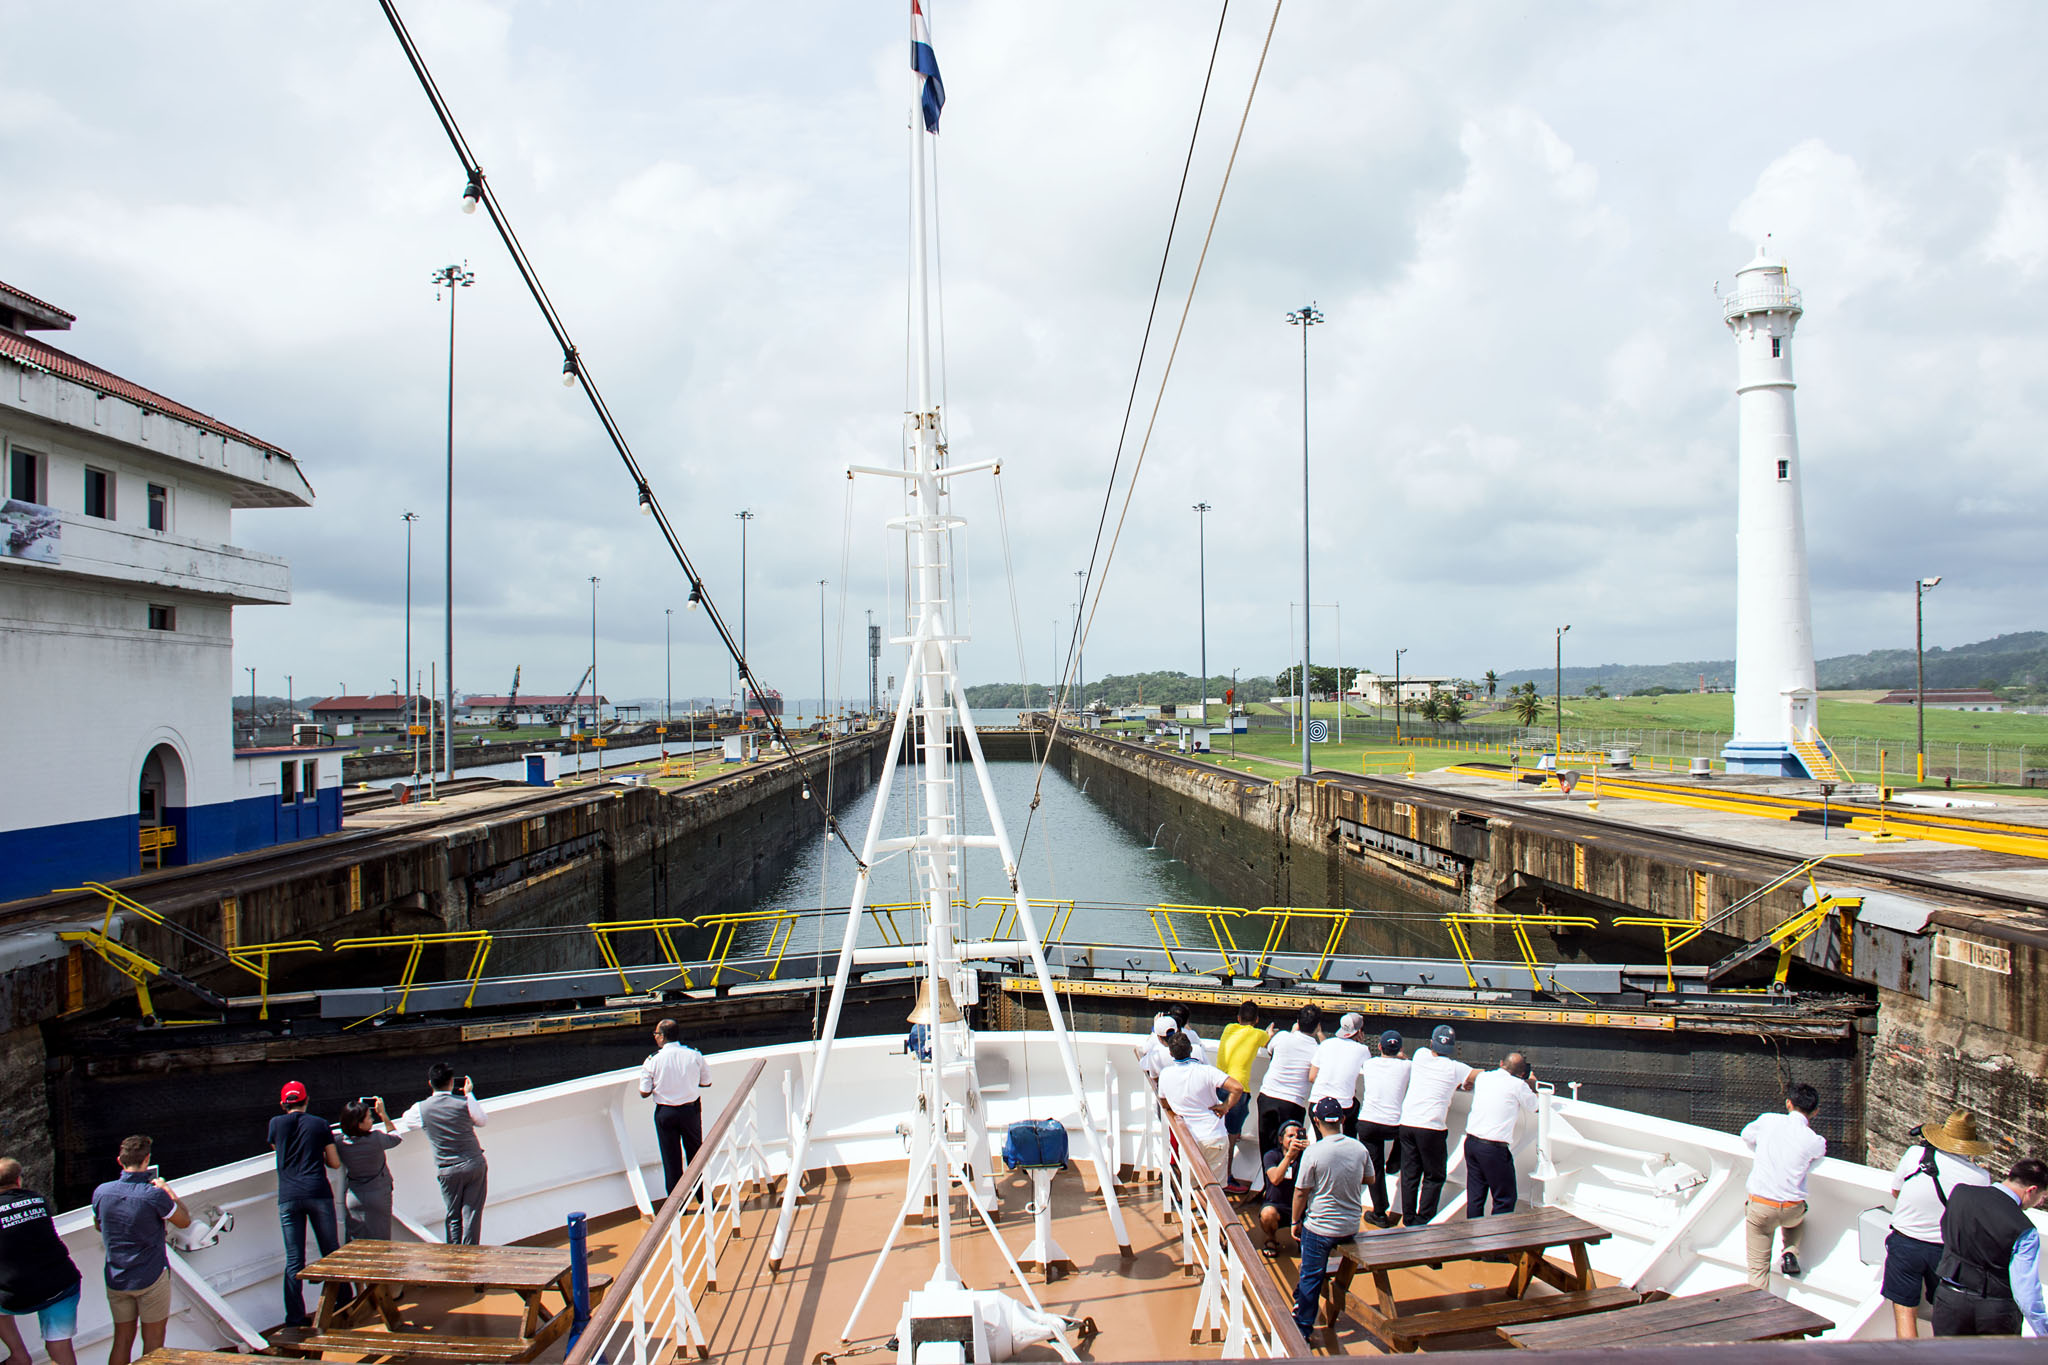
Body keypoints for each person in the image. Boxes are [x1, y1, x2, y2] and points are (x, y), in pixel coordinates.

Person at [1883, 1109, 1994, 1338]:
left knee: (1905, 1312)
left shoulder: (1916, 1155)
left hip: (1905, 1243)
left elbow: (1896, 1191)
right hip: (1946, 1252)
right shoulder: (1980, 1178)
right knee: (1944, 1313)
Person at [89, 1135, 189, 1365]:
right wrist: (168, 1190)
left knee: (122, 1340)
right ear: (147, 1160)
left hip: (117, 1278)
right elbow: (184, 1221)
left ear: (119, 1160)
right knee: (154, 1341)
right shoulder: (153, 1194)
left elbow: (99, 1224)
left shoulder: (101, 1192)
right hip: (150, 1277)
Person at [1932, 1155, 2048, 1337]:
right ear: (2031, 1190)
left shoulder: (1960, 1193)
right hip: (1995, 1311)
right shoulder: (2025, 1230)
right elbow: (2026, 1294)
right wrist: (2044, 1333)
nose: (2038, 1203)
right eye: (2041, 1197)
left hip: (1950, 1300)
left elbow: (1945, 1229)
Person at [1290, 1097, 1369, 1338]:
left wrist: (1295, 1222)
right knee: (1312, 1274)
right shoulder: (1359, 1148)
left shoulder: (1313, 1152)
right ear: (1343, 1120)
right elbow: (1370, 1179)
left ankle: (1302, 1329)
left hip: (1320, 1228)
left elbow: (1301, 1192)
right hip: (1350, 1226)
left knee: (1311, 1275)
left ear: (1316, 1121)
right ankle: (1299, 1300)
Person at [1740, 1083, 1827, 1290]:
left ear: (1788, 1103)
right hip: (1791, 1209)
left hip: (1761, 1208)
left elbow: (1746, 1135)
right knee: (1797, 1218)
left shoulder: (1768, 1120)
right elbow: (1819, 1153)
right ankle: (1790, 1251)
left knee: (1757, 1270)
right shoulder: (1814, 1140)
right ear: (1815, 1112)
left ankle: (1758, 1311)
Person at [269, 1081, 341, 1326]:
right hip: (317, 1191)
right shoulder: (320, 1125)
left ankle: (295, 1318)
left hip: (288, 1196)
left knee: (294, 1260)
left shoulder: (275, 1124)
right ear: (307, 1100)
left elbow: (277, 1147)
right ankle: (343, 1304)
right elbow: (334, 1163)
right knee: (331, 1250)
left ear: (283, 1104)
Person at [0, 1157, 81, 1365]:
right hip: (62, 1284)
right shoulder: (38, 1199)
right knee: (59, 1346)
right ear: (19, 1181)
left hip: (17, 1294)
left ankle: (18, 1355)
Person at [399, 1062, 489, 1245]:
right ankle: (471, 1252)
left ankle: (454, 1253)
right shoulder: (464, 1102)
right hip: (473, 1162)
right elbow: (481, 1121)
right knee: (472, 1214)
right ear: (451, 1082)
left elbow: (408, 1122)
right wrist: (469, 1093)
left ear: (430, 1083)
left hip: (447, 1168)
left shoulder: (421, 1108)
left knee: (453, 1215)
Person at [1396, 1025, 1476, 1227]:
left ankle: (1408, 1217)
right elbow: (1479, 1076)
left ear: (1432, 1042)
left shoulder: (1420, 1054)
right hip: (1432, 1127)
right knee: (1434, 1176)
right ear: (1453, 1047)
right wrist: (1464, 1082)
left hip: (1407, 1123)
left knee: (1410, 1174)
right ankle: (1422, 1220)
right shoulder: (1457, 1068)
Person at [639, 1018, 715, 1197]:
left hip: (666, 1113)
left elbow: (644, 1091)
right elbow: (707, 1082)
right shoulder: (694, 1055)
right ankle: (704, 1198)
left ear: (663, 1037)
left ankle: (677, 1205)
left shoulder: (652, 1060)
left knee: (671, 1160)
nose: (655, 1037)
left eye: (656, 1034)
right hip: (690, 1111)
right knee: (696, 1156)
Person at [1156, 1032, 1242, 1179]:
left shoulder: (1165, 1075)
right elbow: (1237, 1088)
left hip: (1189, 1138)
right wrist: (1225, 1106)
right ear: (1190, 1049)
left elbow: (1164, 1102)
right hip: (1214, 1136)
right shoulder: (1207, 1071)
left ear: (1170, 1053)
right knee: (1216, 1190)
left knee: (1193, 1186)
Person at [1465, 1054, 1538, 1217]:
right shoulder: (1518, 1085)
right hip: (1493, 1148)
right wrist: (1531, 1085)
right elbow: (1536, 1107)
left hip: (1472, 1143)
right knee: (1505, 1199)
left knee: (1475, 1196)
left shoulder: (1484, 1078)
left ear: (1501, 1063)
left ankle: (1470, 1235)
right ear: (1522, 1073)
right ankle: (1498, 1239)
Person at [1213, 1001, 1267, 1194]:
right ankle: (1226, 1179)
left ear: (1238, 1018)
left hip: (1220, 1085)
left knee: (1221, 1133)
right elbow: (1268, 1042)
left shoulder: (1228, 1028)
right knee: (1230, 1135)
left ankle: (1217, 1174)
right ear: (1257, 1020)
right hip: (1238, 1091)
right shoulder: (1259, 1034)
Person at [1357, 1031, 1409, 1227]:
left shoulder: (1369, 1064)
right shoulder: (1407, 1066)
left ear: (1379, 1047)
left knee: (1375, 1168)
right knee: (1406, 1135)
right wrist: (1403, 1057)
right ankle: (1395, 1162)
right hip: (1394, 1125)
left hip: (1368, 1123)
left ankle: (1379, 1212)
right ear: (1400, 1049)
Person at [1256, 1005, 1321, 1160]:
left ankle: (1268, 1180)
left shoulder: (1282, 1037)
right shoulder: (1317, 1049)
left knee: (1267, 1145)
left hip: (1268, 1096)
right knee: (1292, 1148)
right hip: (1293, 1103)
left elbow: (1271, 1050)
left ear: (1298, 1022)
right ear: (1318, 1026)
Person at [334, 1097, 403, 1242]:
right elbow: (396, 1137)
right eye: (369, 1118)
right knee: (382, 1241)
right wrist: (383, 1114)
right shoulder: (377, 1138)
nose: (372, 1120)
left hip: (354, 1196)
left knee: (357, 1242)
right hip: (378, 1195)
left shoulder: (340, 1143)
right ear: (359, 1124)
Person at [1306, 1013, 1371, 1138]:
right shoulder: (1362, 1050)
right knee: (1355, 1107)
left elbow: (1312, 1077)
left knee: (1322, 1142)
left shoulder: (1325, 1044)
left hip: (1316, 1103)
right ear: (1359, 1032)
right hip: (1342, 1106)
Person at [1257, 1120, 1307, 1255]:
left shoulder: (1308, 1156)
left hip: (1302, 1208)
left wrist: (1311, 1151)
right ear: (1281, 1139)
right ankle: (1271, 1238)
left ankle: (1303, 1240)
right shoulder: (1272, 1156)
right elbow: (1275, 1179)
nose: (1294, 1139)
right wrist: (1289, 1155)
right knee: (1267, 1214)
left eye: (1298, 1136)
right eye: (1290, 1136)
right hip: (1277, 1206)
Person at [1138, 1015, 1176, 1082]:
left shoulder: (1154, 1054)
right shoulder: (1191, 1048)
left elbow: (1142, 1064)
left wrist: (1153, 1033)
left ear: (1159, 1037)